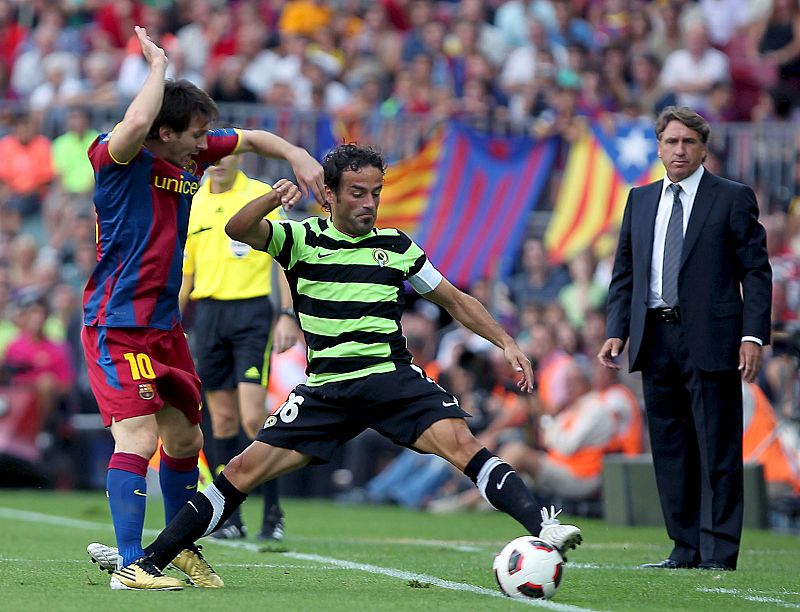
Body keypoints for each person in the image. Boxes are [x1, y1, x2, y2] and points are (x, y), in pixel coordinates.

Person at [95, 143, 583, 590]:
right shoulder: (301, 239)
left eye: (375, 192)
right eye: (356, 193)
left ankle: (545, 526)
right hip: (327, 389)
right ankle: (147, 561)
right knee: (242, 469)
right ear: (328, 194)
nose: (369, 203)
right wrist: (272, 198)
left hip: (391, 381)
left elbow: (453, 299)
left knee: (462, 444)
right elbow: (237, 230)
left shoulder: (397, 246)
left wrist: (505, 341)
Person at [82, 26, 324, 591]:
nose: (205, 145)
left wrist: (297, 154)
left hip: (165, 328)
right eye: (195, 134)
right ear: (166, 132)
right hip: (117, 326)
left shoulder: (187, 152)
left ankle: (180, 548)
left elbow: (255, 138)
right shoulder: (115, 154)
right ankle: (129, 565)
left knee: (188, 441)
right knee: (139, 438)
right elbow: (138, 123)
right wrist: (157, 67)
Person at [598, 106, 772, 571]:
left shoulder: (732, 198)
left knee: (717, 448)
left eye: (688, 142)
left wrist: (753, 335)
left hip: (713, 339)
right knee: (671, 448)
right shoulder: (639, 200)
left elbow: (755, 272)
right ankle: (684, 547)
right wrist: (617, 330)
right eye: (671, 141)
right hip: (655, 338)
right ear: (658, 147)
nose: (679, 150)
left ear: (703, 148)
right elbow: (625, 274)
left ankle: (719, 553)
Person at [179, 151, 301, 541]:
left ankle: (273, 510)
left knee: (252, 417)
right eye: (210, 154)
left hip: (250, 315)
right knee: (222, 421)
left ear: (240, 156)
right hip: (209, 316)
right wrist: (170, 323)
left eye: (225, 154)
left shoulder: (259, 194)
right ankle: (228, 517)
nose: (217, 161)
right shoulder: (194, 201)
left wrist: (285, 313)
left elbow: (282, 259)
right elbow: (186, 272)